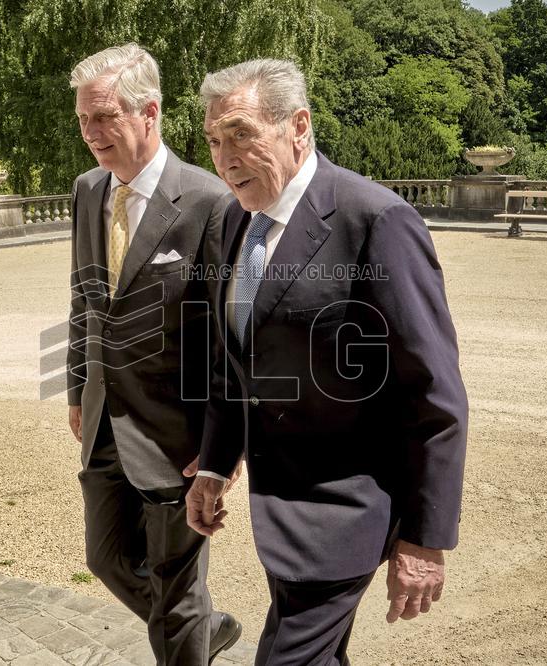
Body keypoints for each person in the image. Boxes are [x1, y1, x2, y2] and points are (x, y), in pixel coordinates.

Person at [185, 58, 469, 665]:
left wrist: (424, 538)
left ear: (298, 126)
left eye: (240, 133)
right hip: (280, 508)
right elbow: (234, 357)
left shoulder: (377, 220)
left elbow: (435, 392)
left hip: (346, 511)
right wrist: (214, 463)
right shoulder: (234, 219)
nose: (224, 156)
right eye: (213, 140)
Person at [66, 43, 240, 664]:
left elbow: (229, 341)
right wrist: (76, 389)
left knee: (176, 587)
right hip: (104, 425)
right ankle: (201, 628)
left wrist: (220, 446)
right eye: (84, 119)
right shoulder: (88, 191)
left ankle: (189, 626)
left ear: (149, 113)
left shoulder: (209, 201)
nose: (90, 133)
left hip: (177, 438)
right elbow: (84, 298)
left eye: (103, 117)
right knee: (105, 558)